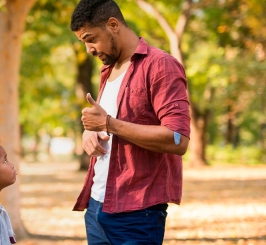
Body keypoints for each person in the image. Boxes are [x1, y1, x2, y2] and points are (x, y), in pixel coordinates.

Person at [70, 0, 191, 244]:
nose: (89, 49)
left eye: (91, 39)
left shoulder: (160, 65)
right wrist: (90, 134)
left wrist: (109, 124)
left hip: (137, 212)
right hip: (96, 206)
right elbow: (109, 126)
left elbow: (178, 139)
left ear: (113, 24)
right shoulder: (109, 69)